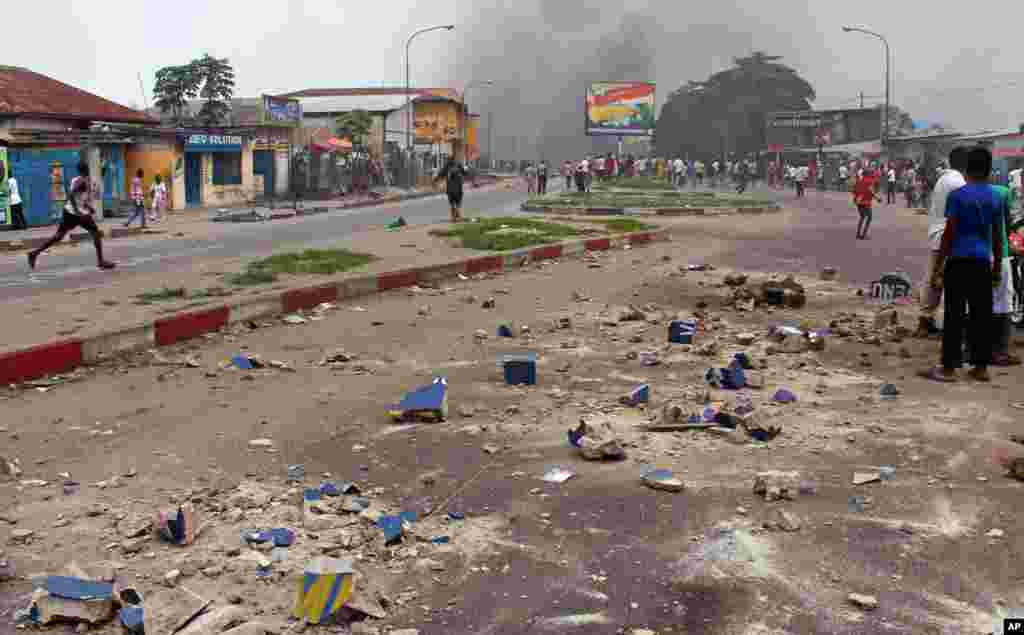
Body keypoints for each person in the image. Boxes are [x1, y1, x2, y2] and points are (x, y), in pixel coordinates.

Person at [920, 147, 1003, 383]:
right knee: (981, 315)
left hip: (958, 260)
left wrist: (938, 265)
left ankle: (949, 368)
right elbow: (998, 237)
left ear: (966, 169)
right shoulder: (995, 197)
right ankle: (980, 367)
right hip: (982, 261)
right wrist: (996, 268)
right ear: (988, 170)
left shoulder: (957, 196)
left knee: (954, 315)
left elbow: (949, 233)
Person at [918, 150, 968, 336]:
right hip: (948, 236)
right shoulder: (958, 182)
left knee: (934, 279)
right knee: (947, 281)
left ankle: (926, 319)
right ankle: (947, 325)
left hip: (938, 233)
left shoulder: (944, 179)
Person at [28, 163, 115, 270]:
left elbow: (79, 198)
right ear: (86, 170)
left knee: (58, 236)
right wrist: (78, 211)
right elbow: (71, 195)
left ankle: (34, 253)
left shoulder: (78, 179)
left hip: (70, 211)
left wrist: (88, 207)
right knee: (95, 233)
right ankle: (100, 261)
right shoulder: (82, 181)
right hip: (77, 213)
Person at [989, 179, 1020, 366]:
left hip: (974, 254)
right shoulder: (1003, 192)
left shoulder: (963, 192)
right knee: (1004, 302)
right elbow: (1008, 224)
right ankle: (1000, 351)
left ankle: (972, 348)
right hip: (1001, 254)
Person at [435, 157, 470, 222]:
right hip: (458, 189)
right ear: (455, 160)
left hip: (450, 190)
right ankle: (458, 216)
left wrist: (435, 180)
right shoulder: (459, 165)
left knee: (452, 204)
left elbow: (440, 175)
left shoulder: (447, 167)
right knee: (458, 204)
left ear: (448, 160)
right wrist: (466, 170)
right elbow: (466, 173)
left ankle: (454, 217)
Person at [852, 168, 881, 239]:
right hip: (866, 202)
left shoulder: (858, 181)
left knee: (862, 217)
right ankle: (864, 234)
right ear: (868, 174)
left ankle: (858, 233)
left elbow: (854, 191)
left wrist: (857, 198)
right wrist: (877, 198)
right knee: (869, 217)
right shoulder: (869, 181)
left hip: (858, 202)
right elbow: (871, 191)